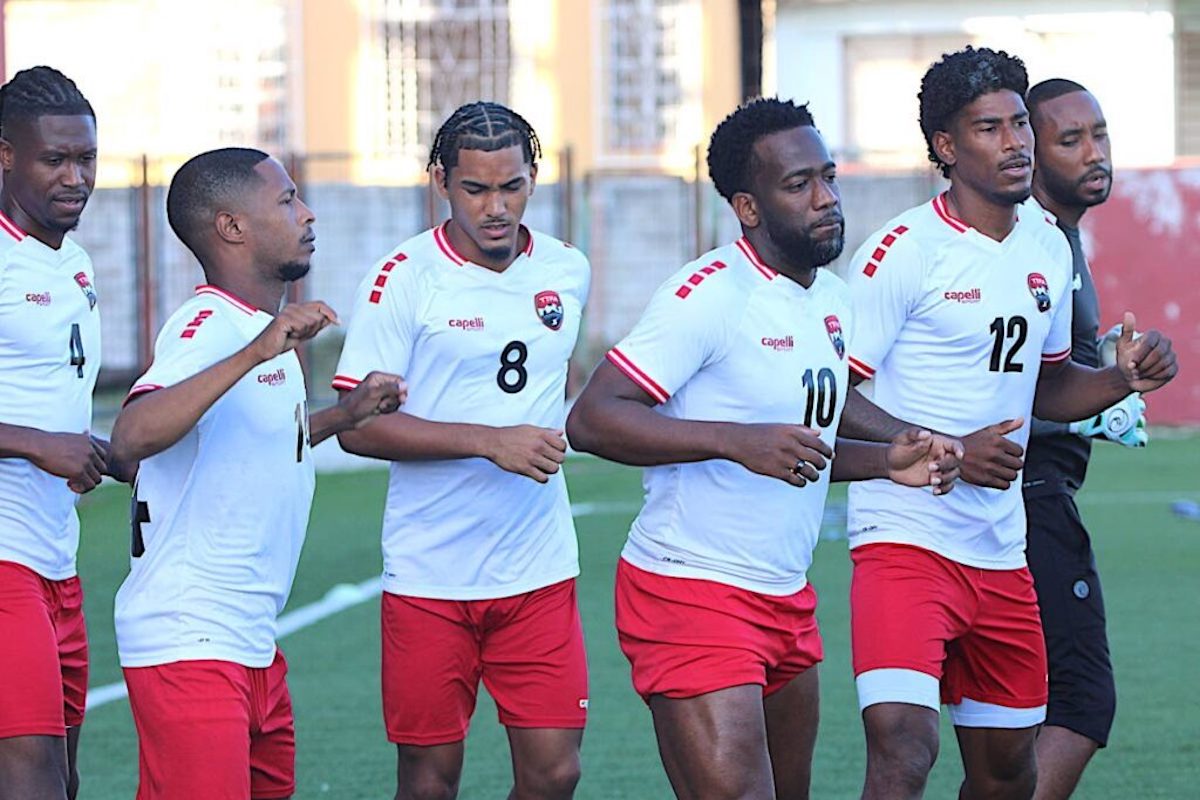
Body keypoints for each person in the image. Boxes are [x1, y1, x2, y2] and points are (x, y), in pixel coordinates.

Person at [566, 97, 963, 800]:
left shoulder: (831, 299)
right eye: (799, 184)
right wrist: (733, 442)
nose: (826, 199)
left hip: (784, 594)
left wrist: (887, 459)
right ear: (748, 207)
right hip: (689, 590)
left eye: (829, 177)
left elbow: (799, 441)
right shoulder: (707, 296)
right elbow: (594, 419)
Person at [837, 47, 1177, 800]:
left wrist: (1123, 376)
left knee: (1007, 773)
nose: (1016, 142)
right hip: (904, 539)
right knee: (904, 747)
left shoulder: (1045, 247)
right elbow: (834, 395)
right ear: (948, 149)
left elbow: (1048, 386)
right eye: (989, 128)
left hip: (999, 548)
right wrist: (942, 448)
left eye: (1020, 122)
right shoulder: (900, 251)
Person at [109, 147, 405, 800]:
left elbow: (261, 441)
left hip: (249, 640)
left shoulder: (260, 335)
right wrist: (256, 350)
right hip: (190, 640)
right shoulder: (209, 326)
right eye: (286, 200)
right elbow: (130, 436)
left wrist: (346, 414)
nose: (308, 213)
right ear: (232, 227)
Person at [334, 102, 591, 800]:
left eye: (511, 186)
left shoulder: (568, 269)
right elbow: (357, 426)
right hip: (431, 574)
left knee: (556, 772)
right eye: (476, 189)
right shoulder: (402, 279)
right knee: (429, 781)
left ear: (534, 178)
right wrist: (488, 443)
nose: (497, 206)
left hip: (537, 566)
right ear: (441, 182)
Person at [0, 65, 118, 800]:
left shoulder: (70, 259)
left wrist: (87, 447)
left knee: (63, 778)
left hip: (56, 557)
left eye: (86, 159)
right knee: (32, 775)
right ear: (6, 155)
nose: (76, 177)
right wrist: (38, 444)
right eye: (55, 159)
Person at [1022, 79, 1134, 800]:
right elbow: (1012, 388)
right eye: (1071, 141)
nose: (1095, 154)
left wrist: (1108, 382)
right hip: (1025, 493)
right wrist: (1104, 395)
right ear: (1025, 154)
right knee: (1082, 702)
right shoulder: (1033, 244)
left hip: (1036, 489)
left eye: (1099, 134)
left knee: (1009, 718)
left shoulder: (1060, 236)